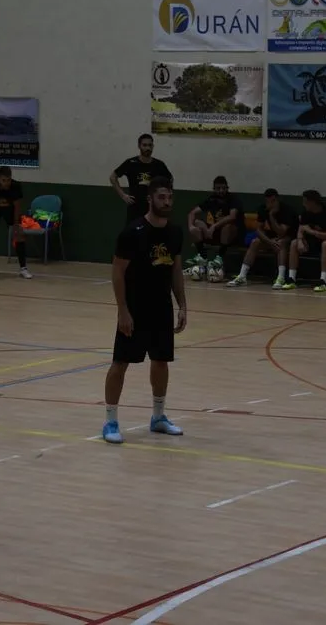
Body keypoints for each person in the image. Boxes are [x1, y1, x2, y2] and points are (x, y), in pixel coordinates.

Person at [102, 176, 187, 444]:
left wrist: (182, 305)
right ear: (150, 199)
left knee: (161, 361)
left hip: (162, 308)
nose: (167, 202)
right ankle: (111, 421)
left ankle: (158, 417)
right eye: (162, 197)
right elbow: (117, 272)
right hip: (135, 309)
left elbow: (176, 271)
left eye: (170, 197)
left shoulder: (175, 232)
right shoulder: (133, 232)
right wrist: (122, 310)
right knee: (120, 363)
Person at [227, 188, 298, 288]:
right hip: (272, 237)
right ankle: (242, 276)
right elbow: (258, 230)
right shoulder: (263, 208)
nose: (270, 204)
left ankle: (281, 277)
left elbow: (281, 232)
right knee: (255, 242)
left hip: (289, 237)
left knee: (280, 242)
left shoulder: (287, 210)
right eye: (268, 201)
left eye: (273, 201)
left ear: (277, 199)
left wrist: (271, 216)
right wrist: (269, 241)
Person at [280, 189, 326, 293]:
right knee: (294, 243)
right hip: (313, 243)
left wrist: (312, 232)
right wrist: (300, 240)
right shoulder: (305, 213)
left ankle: (323, 281)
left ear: (312, 202)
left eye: (305, 202)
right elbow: (301, 229)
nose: (303, 204)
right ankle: (291, 279)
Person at [184, 175, 244, 277]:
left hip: (232, 234)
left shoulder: (233, 199)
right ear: (214, 189)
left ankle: (219, 258)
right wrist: (191, 227)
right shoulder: (211, 199)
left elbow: (232, 216)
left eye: (223, 188)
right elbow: (192, 213)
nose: (221, 191)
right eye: (218, 188)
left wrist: (214, 226)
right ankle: (202, 257)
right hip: (215, 233)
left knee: (227, 227)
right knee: (197, 223)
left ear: (227, 188)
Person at [110, 133, 174, 224]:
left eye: (150, 145)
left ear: (153, 146)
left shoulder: (159, 165)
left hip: (153, 208)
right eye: (144, 145)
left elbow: (170, 180)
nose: (147, 148)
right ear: (139, 146)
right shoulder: (131, 163)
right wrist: (123, 195)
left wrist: (165, 199)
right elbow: (113, 177)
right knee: (133, 231)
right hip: (135, 207)